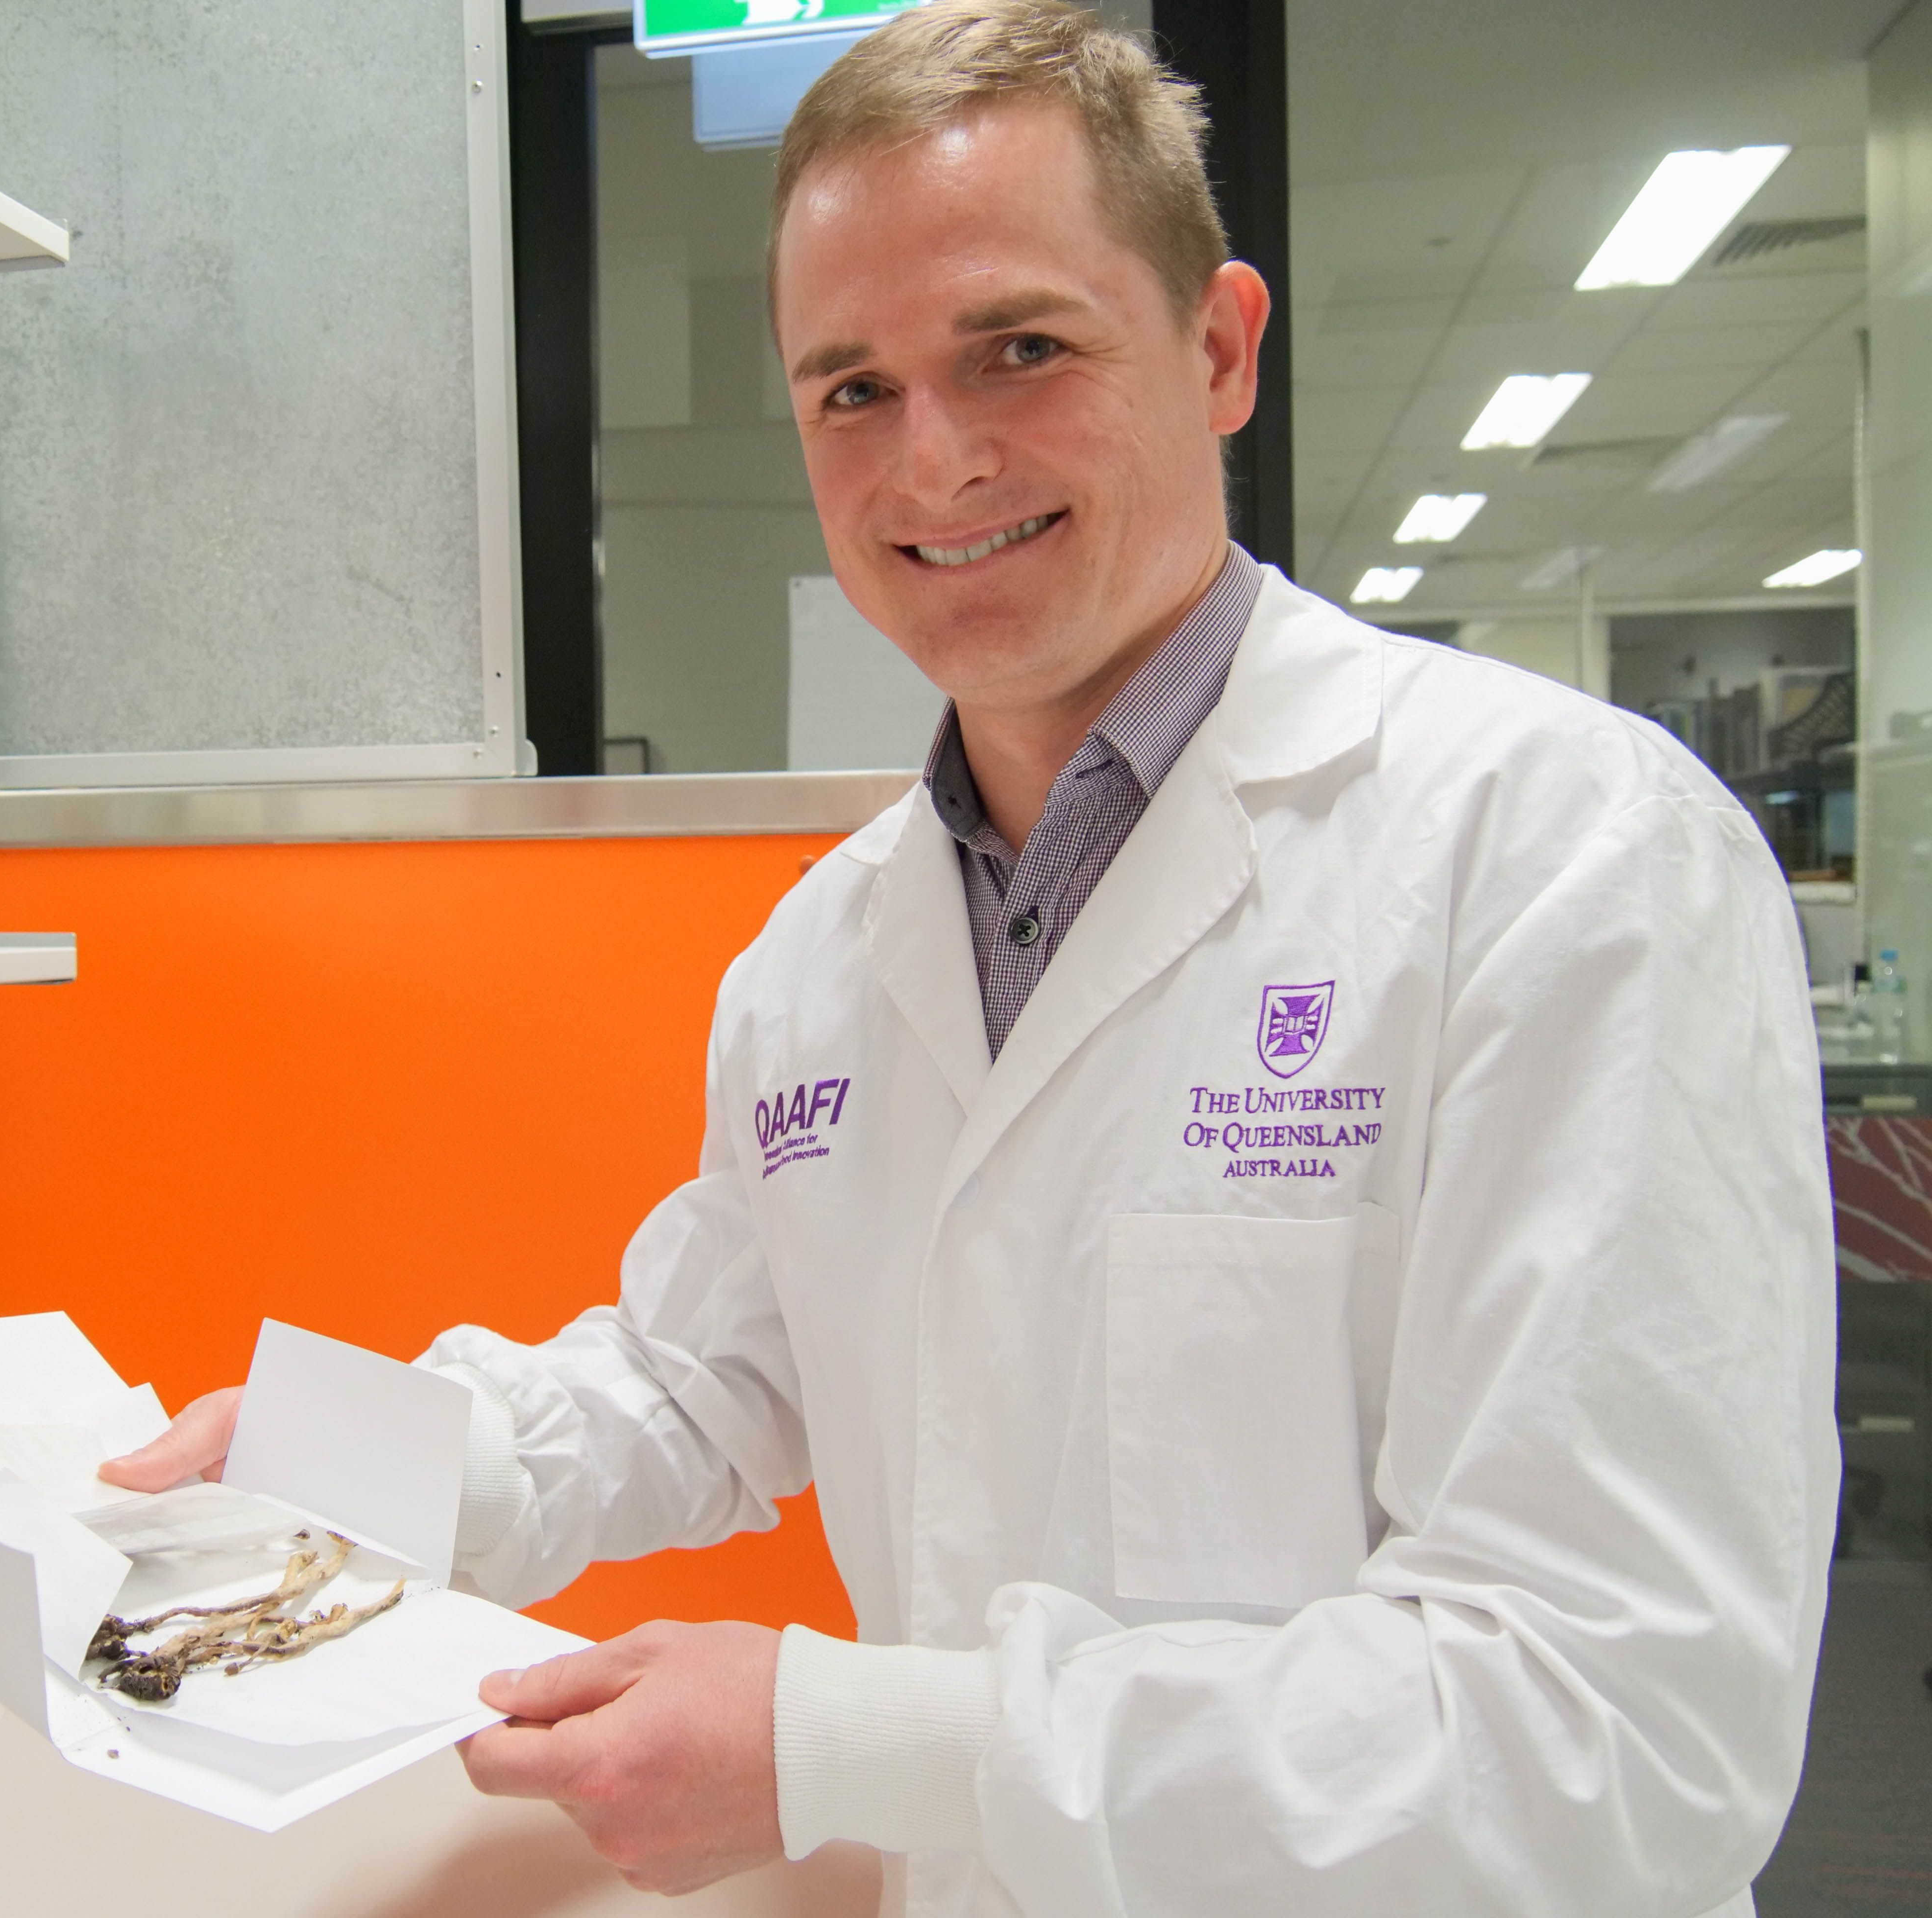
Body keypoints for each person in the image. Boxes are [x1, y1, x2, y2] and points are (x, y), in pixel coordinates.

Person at [104, 4, 1837, 1911]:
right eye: (850, 387)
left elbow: (1612, 1724)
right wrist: (336, 1469)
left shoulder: (1564, 854)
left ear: (1221, 345)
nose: (933, 462)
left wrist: (848, 1745)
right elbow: (696, 1379)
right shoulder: (827, 952)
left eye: (1017, 349)